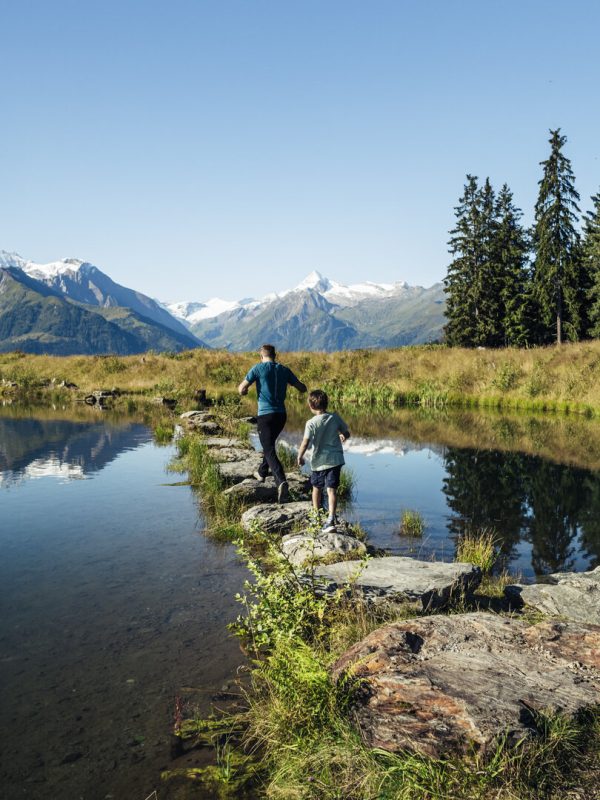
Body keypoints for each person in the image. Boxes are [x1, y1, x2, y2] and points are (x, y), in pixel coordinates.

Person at [238, 344, 307, 502]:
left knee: (268, 449)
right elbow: (302, 388)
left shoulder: (257, 369)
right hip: (281, 416)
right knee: (268, 446)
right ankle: (262, 473)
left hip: (265, 416)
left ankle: (281, 481)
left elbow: (241, 388)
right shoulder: (284, 369)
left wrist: (244, 391)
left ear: (261, 356)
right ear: (275, 355)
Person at [297, 389, 350, 532]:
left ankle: (316, 516)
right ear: (326, 403)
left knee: (316, 488)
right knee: (331, 490)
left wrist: (300, 456)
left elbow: (305, 442)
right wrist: (343, 435)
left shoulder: (311, 423)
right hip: (335, 460)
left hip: (318, 461)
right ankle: (331, 519)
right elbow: (347, 432)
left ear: (310, 406)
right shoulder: (335, 418)